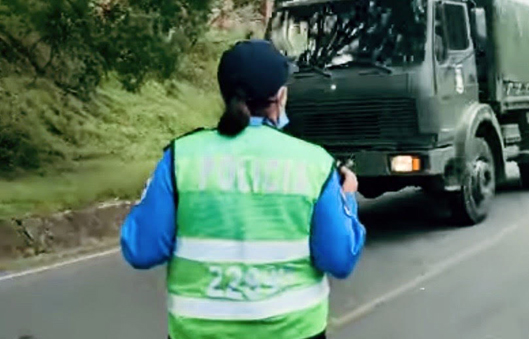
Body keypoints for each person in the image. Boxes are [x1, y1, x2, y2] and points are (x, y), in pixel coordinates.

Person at [120, 39, 366, 339]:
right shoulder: (314, 163)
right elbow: (339, 259)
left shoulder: (180, 158)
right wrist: (346, 198)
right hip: (294, 332)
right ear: (280, 96)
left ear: (224, 95)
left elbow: (141, 250)